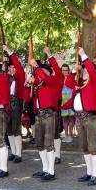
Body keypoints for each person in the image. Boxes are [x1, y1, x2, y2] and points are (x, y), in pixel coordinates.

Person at [62, 47, 96, 185]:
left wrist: (84, 56)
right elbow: (68, 82)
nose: (85, 70)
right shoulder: (80, 84)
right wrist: (75, 69)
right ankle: (89, 172)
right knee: (85, 147)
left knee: (93, 147)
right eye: (84, 69)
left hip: (91, 117)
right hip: (79, 117)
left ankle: (95, 175)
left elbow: (91, 69)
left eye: (86, 69)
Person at [29, 54, 59, 182]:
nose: (40, 72)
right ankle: (45, 168)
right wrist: (30, 81)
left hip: (48, 114)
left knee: (48, 143)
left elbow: (44, 77)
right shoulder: (38, 84)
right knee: (39, 143)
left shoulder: (52, 80)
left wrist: (36, 66)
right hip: (39, 115)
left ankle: (51, 171)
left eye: (43, 70)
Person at [3, 45, 26, 162]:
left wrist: (9, 52)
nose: (12, 69)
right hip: (8, 104)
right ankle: (13, 151)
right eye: (10, 67)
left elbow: (18, 65)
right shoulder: (7, 77)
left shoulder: (20, 76)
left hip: (16, 103)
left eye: (14, 67)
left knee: (16, 128)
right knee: (9, 129)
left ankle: (18, 154)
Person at [45, 47, 65, 164]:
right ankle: (50, 154)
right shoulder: (42, 80)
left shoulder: (57, 78)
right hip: (44, 109)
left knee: (55, 132)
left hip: (55, 107)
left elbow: (58, 70)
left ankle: (57, 155)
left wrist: (49, 54)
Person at [59, 64, 75, 143]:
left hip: (70, 100)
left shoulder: (71, 77)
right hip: (63, 101)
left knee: (71, 118)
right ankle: (66, 135)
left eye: (66, 70)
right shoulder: (59, 79)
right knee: (65, 119)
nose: (65, 71)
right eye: (63, 70)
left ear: (68, 70)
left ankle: (70, 135)